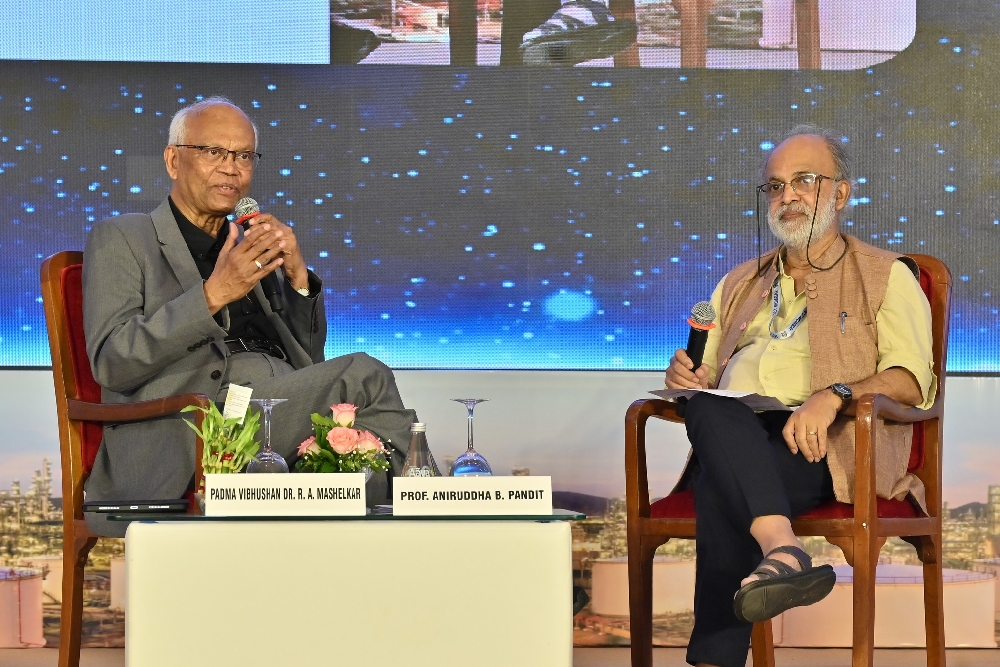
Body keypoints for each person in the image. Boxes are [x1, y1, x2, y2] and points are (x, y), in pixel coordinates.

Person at [82, 97, 422, 537]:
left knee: (359, 456)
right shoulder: (124, 237)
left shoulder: (247, 241)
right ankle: (418, 503)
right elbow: (113, 360)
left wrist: (298, 279)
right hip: (198, 421)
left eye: (243, 156)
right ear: (173, 160)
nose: (231, 168)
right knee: (365, 375)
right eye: (214, 152)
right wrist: (213, 295)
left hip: (279, 409)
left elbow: (311, 362)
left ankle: (382, 537)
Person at [663, 124, 936, 667]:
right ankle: (783, 549)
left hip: (825, 446)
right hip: (737, 429)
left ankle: (718, 654)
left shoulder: (887, 275)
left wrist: (834, 395)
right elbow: (706, 372)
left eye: (805, 180)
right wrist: (685, 376)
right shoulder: (739, 282)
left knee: (722, 485)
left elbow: (911, 380)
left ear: (841, 192)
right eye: (776, 185)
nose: (787, 195)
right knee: (709, 405)